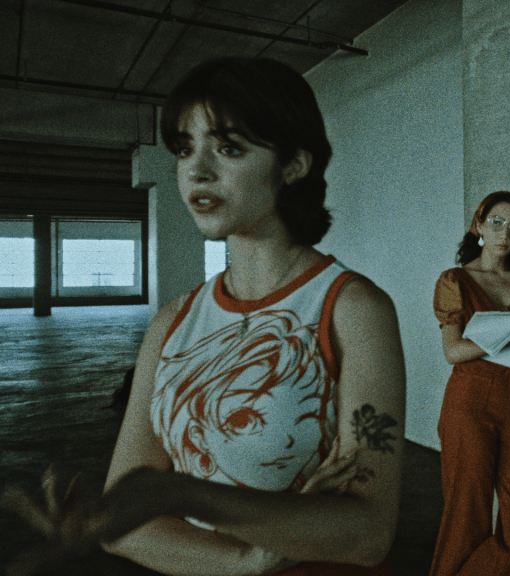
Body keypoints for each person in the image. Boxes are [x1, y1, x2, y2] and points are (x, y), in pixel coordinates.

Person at [1, 57, 405, 576]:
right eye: (185, 149)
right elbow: (126, 527)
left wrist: (180, 494)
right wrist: (246, 560)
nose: (197, 170)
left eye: (228, 148)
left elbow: (367, 534)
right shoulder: (172, 321)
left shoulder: (352, 309)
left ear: (294, 164)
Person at [430, 191, 510, 576]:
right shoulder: (455, 280)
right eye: (497, 222)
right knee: (466, 520)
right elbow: (453, 351)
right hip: (469, 403)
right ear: (479, 226)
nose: (505, 233)